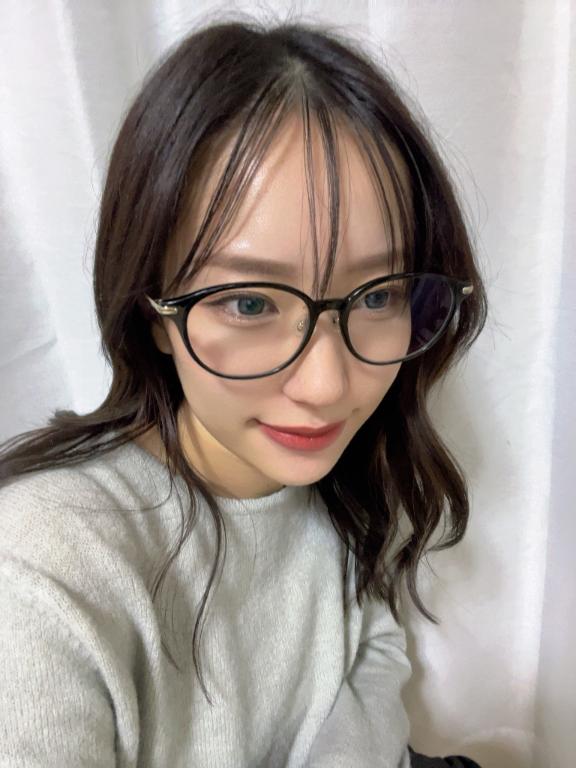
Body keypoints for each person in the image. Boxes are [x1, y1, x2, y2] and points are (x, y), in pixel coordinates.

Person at [0, 17, 486, 768]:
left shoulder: (337, 480)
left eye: (378, 294)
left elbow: (373, 649)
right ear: (152, 312)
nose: (327, 387)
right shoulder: (42, 573)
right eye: (250, 302)